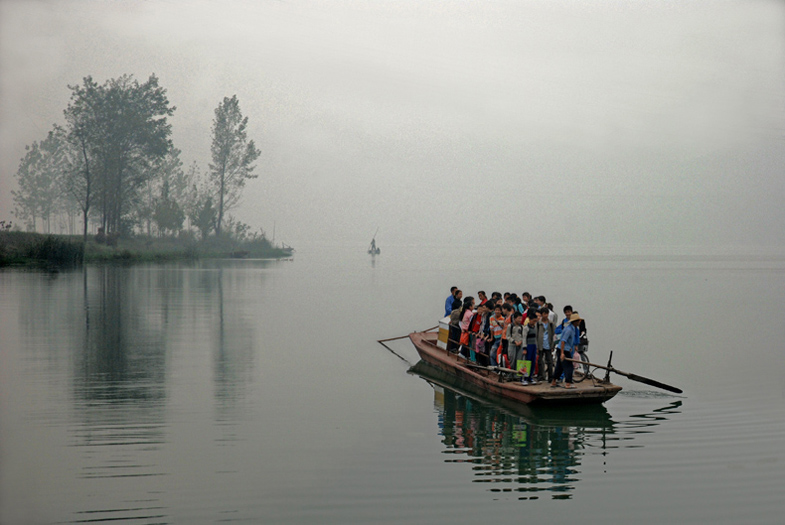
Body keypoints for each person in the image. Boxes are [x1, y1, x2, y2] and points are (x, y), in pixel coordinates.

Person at [551, 313, 581, 389]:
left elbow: (569, 341)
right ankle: (568, 383)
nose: (579, 322)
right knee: (569, 367)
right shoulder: (569, 330)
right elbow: (563, 341)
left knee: (559, 366)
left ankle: (554, 381)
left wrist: (571, 347)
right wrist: (562, 353)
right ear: (575, 321)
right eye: (578, 321)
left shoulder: (573, 328)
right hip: (563, 350)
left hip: (565, 349)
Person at [520, 310, 539, 384]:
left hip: (533, 345)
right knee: (526, 362)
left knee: (533, 362)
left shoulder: (535, 327)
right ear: (530, 320)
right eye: (533, 321)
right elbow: (524, 338)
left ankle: (530, 377)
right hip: (528, 346)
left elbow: (536, 337)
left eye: (535, 321)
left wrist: (536, 347)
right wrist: (524, 348)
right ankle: (523, 378)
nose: (534, 322)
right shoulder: (526, 328)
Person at [537, 306, 555, 382]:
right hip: (540, 344)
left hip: (548, 344)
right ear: (541, 314)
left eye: (547, 314)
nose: (546, 315)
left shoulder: (551, 323)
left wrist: (552, 345)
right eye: (544, 314)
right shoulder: (538, 324)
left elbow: (554, 335)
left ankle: (551, 377)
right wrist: (537, 346)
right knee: (540, 361)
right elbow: (536, 335)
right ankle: (540, 376)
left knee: (550, 362)